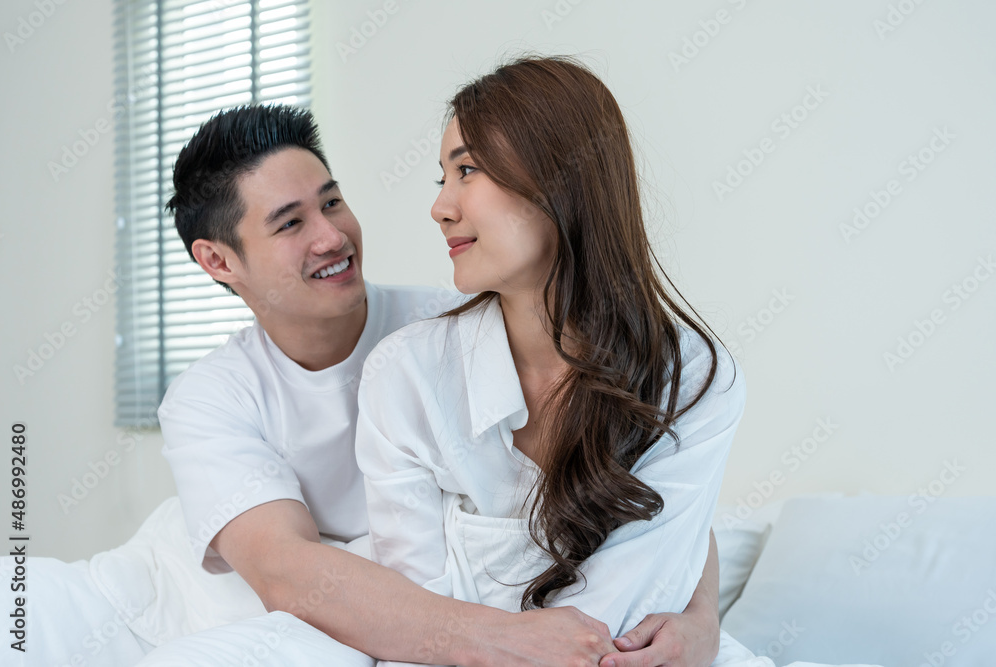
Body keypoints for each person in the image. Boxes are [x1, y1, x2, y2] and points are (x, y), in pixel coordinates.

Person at [133, 103, 725, 666]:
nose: (332, 237)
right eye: (291, 223)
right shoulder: (209, 399)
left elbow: (653, 483)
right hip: (288, 609)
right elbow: (289, 572)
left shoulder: (461, 328)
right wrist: (504, 641)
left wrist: (701, 622)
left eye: (333, 203)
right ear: (217, 261)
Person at [356, 56, 752, 666]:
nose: (441, 206)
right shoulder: (406, 375)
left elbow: (620, 621)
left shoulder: (692, 377)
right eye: (441, 178)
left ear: (559, 179)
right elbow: (422, 622)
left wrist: (702, 622)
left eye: (467, 171)